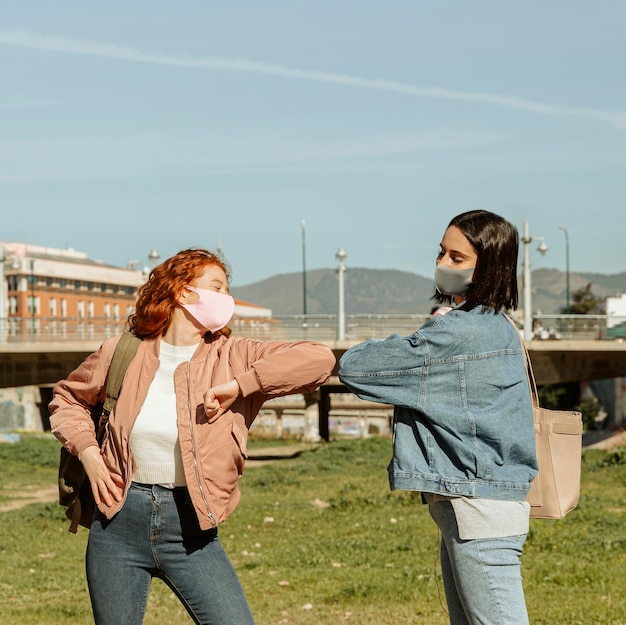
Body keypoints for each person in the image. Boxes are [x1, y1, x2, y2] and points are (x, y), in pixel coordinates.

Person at [49, 248, 335, 625]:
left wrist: (240, 385)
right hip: (117, 522)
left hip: (191, 528)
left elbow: (319, 359)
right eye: (216, 286)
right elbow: (67, 398)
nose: (227, 299)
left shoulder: (235, 356)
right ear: (183, 293)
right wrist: (89, 453)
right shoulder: (123, 351)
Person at [338, 210, 537, 625]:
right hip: (476, 505)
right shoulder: (495, 324)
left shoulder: (458, 332)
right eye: (442, 253)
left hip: (477, 509)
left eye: (457, 257)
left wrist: (424, 333)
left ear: (490, 266)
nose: (443, 264)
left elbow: (357, 367)